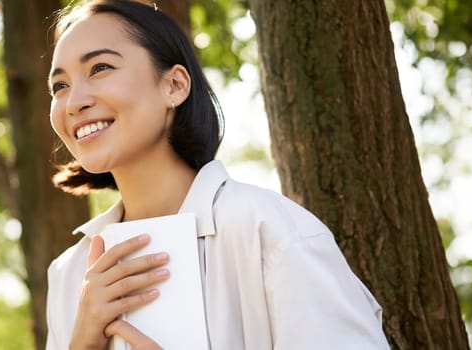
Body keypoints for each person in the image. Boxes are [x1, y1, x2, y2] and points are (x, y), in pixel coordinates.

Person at [44, 1, 389, 349]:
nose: (74, 102)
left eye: (100, 67)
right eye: (59, 87)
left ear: (175, 85)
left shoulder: (270, 233)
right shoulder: (68, 274)